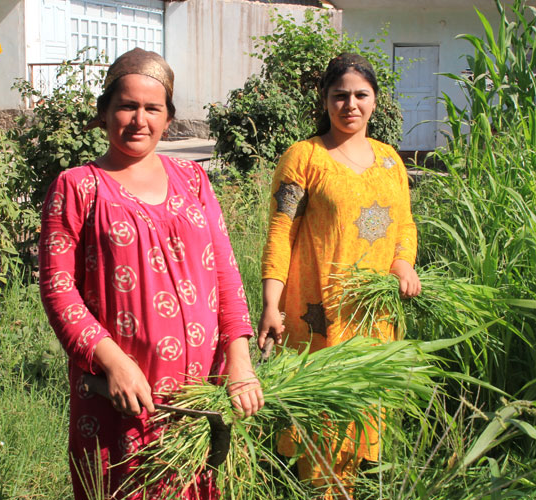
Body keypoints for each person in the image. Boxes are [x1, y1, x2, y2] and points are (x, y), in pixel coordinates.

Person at [39, 48, 263, 500]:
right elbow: (59, 290)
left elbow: (226, 274)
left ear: (168, 117)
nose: (139, 119)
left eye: (152, 108)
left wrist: (239, 362)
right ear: (104, 113)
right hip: (121, 395)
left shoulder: (193, 180)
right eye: (126, 105)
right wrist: (115, 364)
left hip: (198, 394)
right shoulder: (78, 186)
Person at [257, 53, 421, 499]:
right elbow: (280, 233)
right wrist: (271, 304)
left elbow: (405, 223)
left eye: (360, 95)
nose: (350, 104)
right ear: (324, 100)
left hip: (373, 314)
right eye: (340, 95)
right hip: (318, 314)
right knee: (321, 413)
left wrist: (402, 262)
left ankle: (354, 486)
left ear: (375, 101)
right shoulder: (304, 157)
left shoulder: (390, 161)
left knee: (365, 405)